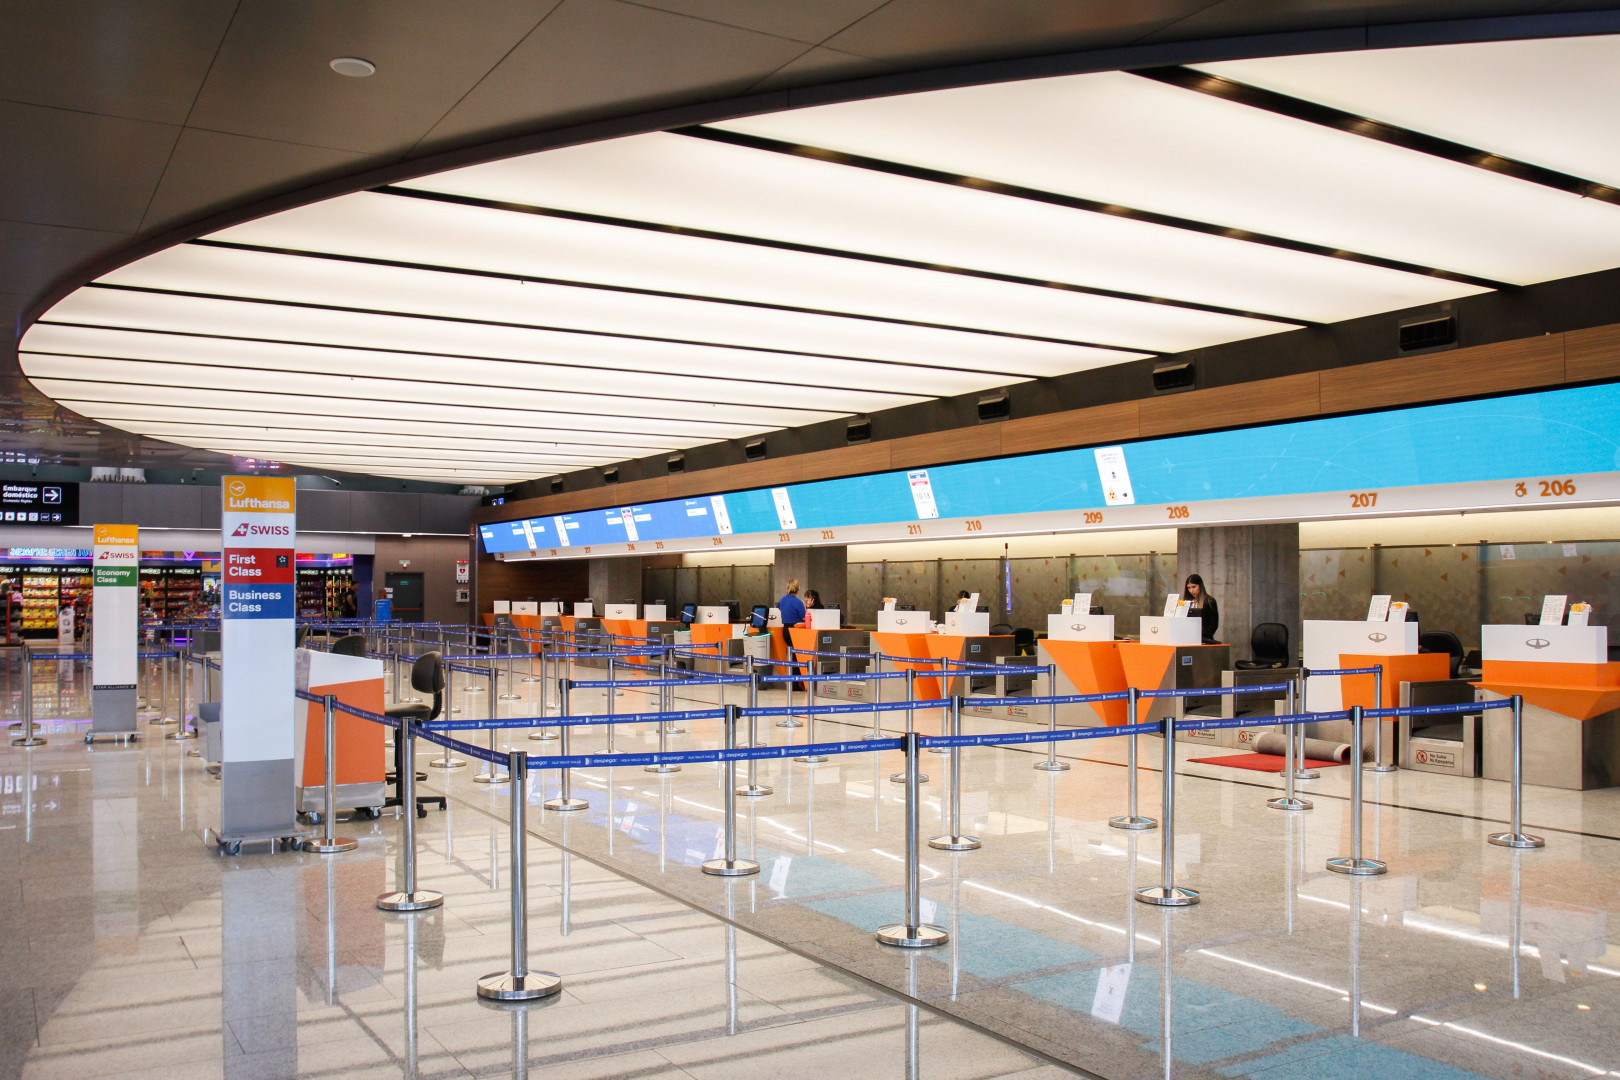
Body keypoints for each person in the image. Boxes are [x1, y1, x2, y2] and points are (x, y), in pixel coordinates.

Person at [1182, 574, 1219, 643]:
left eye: (1194, 587)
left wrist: (1203, 637)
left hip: (1204, 640)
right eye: (1189, 588)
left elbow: (1213, 625)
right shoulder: (1187, 602)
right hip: (1188, 639)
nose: (1191, 590)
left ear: (1200, 586)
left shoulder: (1209, 601)